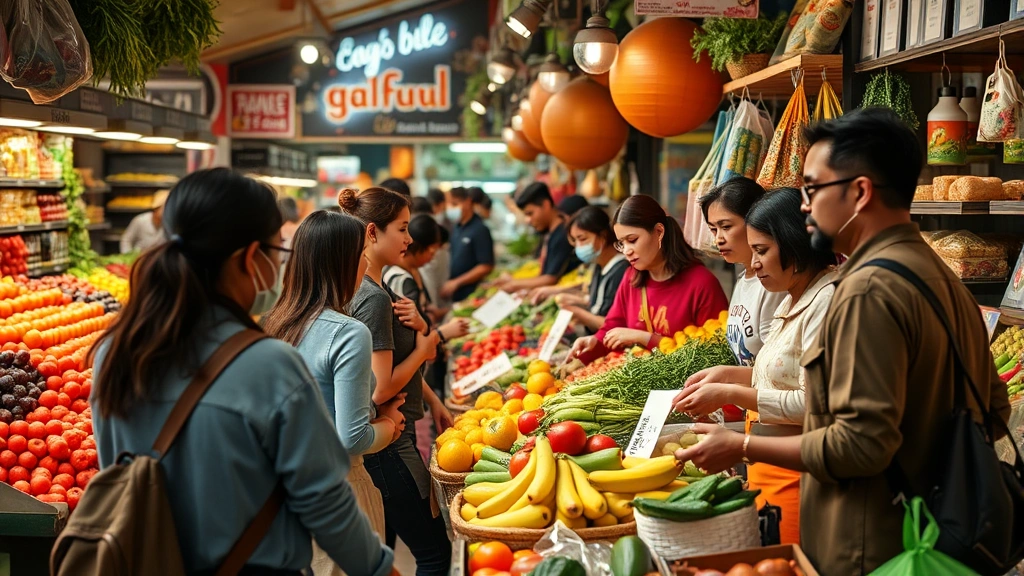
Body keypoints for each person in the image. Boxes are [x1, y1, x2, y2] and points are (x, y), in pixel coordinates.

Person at [673, 108, 1012, 575]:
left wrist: (742, 446)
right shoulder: (942, 276)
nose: (805, 205)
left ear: (859, 192)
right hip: (932, 529)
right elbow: (995, 411)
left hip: (870, 541)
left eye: (812, 189)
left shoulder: (867, 289)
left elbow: (858, 447)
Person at [91, 169, 393, 576]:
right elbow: (322, 499)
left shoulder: (114, 352)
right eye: (277, 252)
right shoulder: (268, 364)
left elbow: (116, 470)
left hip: (146, 561)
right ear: (251, 259)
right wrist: (376, 566)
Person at [674, 188, 837, 545]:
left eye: (762, 251)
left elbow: (814, 401)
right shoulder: (794, 296)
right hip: (768, 467)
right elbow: (783, 376)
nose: (756, 262)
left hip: (799, 473)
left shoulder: (826, 302)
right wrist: (726, 375)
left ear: (794, 243)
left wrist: (731, 393)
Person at [262, 211, 405, 575]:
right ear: (343, 262)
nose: (364, 264)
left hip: (282, 495)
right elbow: (351, 437)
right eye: (361, 255)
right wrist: (390, 426)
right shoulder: (348, 333)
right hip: (340, 493)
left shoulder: (275, 323)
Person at [340, 187, 453, 575]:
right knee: (436, 554)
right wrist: (426, 346)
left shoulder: (376, 290)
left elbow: (394, 364)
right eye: (402, 229)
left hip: (389, 438)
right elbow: (381, 387)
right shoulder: (371, 298)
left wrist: (435, 401)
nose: (409, 239)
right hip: (390, 445)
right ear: (372, 233)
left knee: (383, 553)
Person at [568, 194, 729, 364]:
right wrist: (594, 343)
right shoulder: (632, 277)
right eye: (622, 243)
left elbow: (714, 351)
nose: (626, 251)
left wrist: (645, 338)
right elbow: (612, 326)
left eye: (632, 240)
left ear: (659, 232)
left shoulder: (701, 283)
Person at [700, 177, 787, 366]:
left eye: (726, 227)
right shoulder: (743, 280)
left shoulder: (774, 283)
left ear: (754, 220)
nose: (718, 239)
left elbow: (776, 368)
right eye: (713, 229)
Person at [530, 207, 627, 333]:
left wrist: (579, 314)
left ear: (603, 236)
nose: (578, 246)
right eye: (574, 241)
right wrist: (575, 299)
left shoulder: (621, 271)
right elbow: (594, 298)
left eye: (582, 239)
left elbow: (616, 326)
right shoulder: (598, 266)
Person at [495, 182, 582, 293]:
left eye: (530, 213)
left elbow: (550, 279)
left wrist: (513, 283)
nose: (528, 220)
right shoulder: (548, 232)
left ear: (545, 205)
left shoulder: (562, 234)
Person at [441, 187, 495, 301]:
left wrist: (457, 282)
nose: (451, 208)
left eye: (455, 204)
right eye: (449, 204)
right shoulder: (456, 228)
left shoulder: (480, 229)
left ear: (468, 201)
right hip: (456, 293)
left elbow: (486, 266)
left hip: (472, 293)